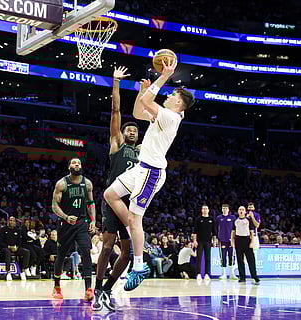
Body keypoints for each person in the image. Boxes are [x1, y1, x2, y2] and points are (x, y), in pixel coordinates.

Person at [104, 58, 195, 291]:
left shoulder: (172, 116)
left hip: (151, 173)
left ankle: (138, 265)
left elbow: (148, 101)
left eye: (172, 94)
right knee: (110, 195)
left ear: (178, 102)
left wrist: (164, 76)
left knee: (135, 219)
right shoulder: (163, 115)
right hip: (141, 168)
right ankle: (134, 226)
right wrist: (143, 91)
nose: (168, 96)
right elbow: (138, 109)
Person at [94, 66, 139, 312]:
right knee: (108, 246)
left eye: (135, 129)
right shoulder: (117, 145)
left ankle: (107, 289)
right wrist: (116, 83)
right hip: (113, 201)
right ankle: (97, 288)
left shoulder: (143, 152)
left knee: (128, 254)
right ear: (121, 134)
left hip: (130, 205)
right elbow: (116, 110)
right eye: (128, 129)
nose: (131, 130)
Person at [51, 158, 96, 301]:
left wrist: (93, 220)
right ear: (69, 166)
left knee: (86, 253)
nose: (77, 165)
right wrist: (65, 216)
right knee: (61, 255)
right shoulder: (62, 183)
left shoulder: (87, 183)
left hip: (82, 223)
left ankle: (88, 288)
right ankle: (57, 286)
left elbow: (90, 203)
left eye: (79, 163)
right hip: (66, 224)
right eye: (74, 163)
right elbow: (54, 205)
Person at [231, 206, 260, 285]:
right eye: (240, 209)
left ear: (245, 212)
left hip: (247, 240)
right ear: (238, 211)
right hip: (238, 240)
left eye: (242, 209)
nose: (241, 211)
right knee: (240, 260)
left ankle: (254, 277)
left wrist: (252, 242)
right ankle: (242, 277)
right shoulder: (235, 220)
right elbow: (233, 232)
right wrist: (232, 241)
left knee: (251, 260)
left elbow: (252, 232)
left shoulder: (248, 220)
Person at [0, 216, 31, 281]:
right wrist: (8, 246)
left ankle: (23, 271)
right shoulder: (2, 229)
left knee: (26, 252)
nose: (12, 222)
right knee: (7, 252)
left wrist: (16, 247)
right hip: (5, 248)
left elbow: (19, 241)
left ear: (15, 222)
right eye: (10, 220)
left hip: (15, 247)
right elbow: (0, 242)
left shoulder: (18, 230)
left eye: (13, 221)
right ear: (8, 221)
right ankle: (8, 272)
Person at [192, 205, 216, 281]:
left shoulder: (211, 219)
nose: (205, 210)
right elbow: (195, 232)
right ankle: (198, 274)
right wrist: (194, 241)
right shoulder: (198, 219)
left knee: (208, 258)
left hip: (208, 241)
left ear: (208, 210)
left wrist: (214, 241)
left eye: (206, 209)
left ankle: (206, 274)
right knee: (199, 257)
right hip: (199, 241)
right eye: (203, 209)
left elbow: (214, 232)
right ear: (202, 210)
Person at [215, 204, 237, 280]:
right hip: (222, 240)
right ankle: (223, 274)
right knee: (223, 257)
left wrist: (234, 239)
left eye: (226, 208)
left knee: (232, 256)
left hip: (231, 240)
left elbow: (235, 229)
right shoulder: (218, 218)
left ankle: (232, 274)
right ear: (222, 209)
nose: (224, 210)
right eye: (223, 208)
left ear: (228, 209)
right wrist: (217, 239)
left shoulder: (233, 218)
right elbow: (216, 229)